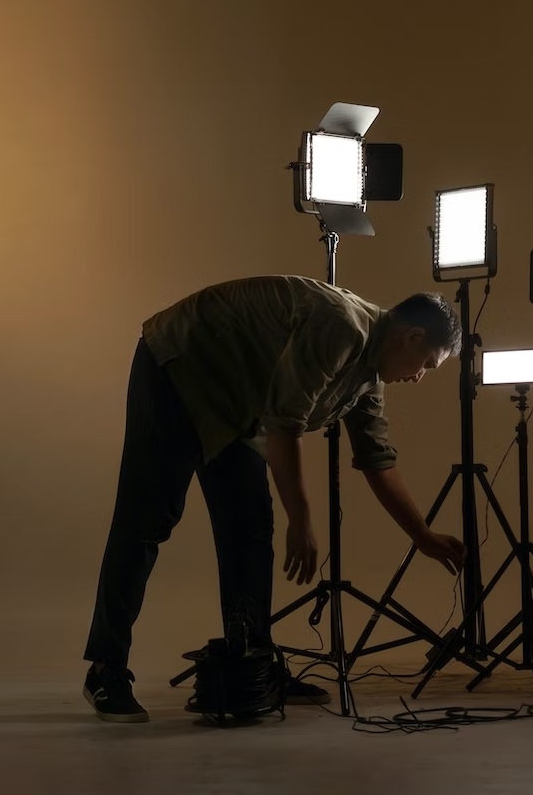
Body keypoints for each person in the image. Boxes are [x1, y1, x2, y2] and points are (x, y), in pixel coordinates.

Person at [82, 274, 467, 722]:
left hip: (241, 401)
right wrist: (300, 519)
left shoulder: (369, 379)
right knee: (148, 518)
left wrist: (421, 535)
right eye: (427, 364)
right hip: (179, 363)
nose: (419, 377)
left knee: (249, 528)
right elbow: (286, 423)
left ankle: (253, 663)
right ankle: (106, 669)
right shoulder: (343, 326)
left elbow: (376, 459)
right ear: (413, 336)